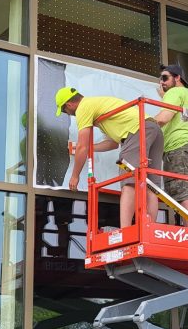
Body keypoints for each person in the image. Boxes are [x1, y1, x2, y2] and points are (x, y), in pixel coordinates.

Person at [55, 86, 161, 227]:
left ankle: (125, 230)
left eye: (64, 111)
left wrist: (75, 175)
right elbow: (112, 144)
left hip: (137, 131)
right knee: (151, 186)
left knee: (129, 182)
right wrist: (87, 150)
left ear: (69, 104)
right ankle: (151, 228)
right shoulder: (100, 108)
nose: (67, 114)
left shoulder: (83, 108)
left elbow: (82, 145)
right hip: (153, 129)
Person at [153, 64, 188, 228]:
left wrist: (141, 126)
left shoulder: (175, 92)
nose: (161, 82)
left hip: (178, 150)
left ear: (177, 77)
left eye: (165, 78)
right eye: (160, 79)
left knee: (182, 200)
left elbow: (163, 118)